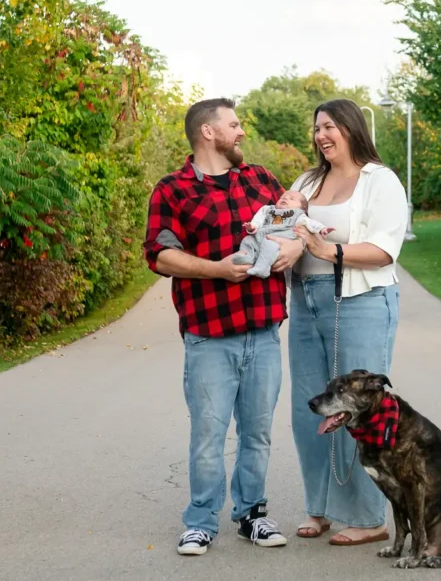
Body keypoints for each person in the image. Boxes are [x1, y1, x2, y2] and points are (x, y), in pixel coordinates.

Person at [143, 97, 304, 556]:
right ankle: (200, 521)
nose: (241, 133)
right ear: (208, 133)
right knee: (209, 433)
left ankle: (251, 514)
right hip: (209, 336)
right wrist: (217, 269)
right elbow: (159, 253)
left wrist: (292, 249)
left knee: (257, 432)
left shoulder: (260, 179)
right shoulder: (172, 189)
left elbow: (292, 228)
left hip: (264, 331)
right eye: (234, 125)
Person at [288, 98, 409, 546]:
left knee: (358, 412)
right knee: (310, 410)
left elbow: (384, 250)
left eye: (331, 126)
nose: (322, 135)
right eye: (318, 127)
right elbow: (286, 226)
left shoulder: (381, 181)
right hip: (305, 301)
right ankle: (319, 509)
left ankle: (367, 517)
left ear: (352, 129)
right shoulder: (307, 180)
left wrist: (330, 252)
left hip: (359, 301)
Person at [234, 190, 333, 278]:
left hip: (282, 237)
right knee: (248, 240)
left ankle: (262, 268)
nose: (285, 198)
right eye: (282, 197)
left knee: (269, 245)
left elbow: (310, 223)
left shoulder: (298, 214)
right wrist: (253, 226)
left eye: (292, 199)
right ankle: (247, 257)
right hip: (263, 233)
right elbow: (259, 218)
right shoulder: (268, 209)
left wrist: (321, 229)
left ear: (302, 208)